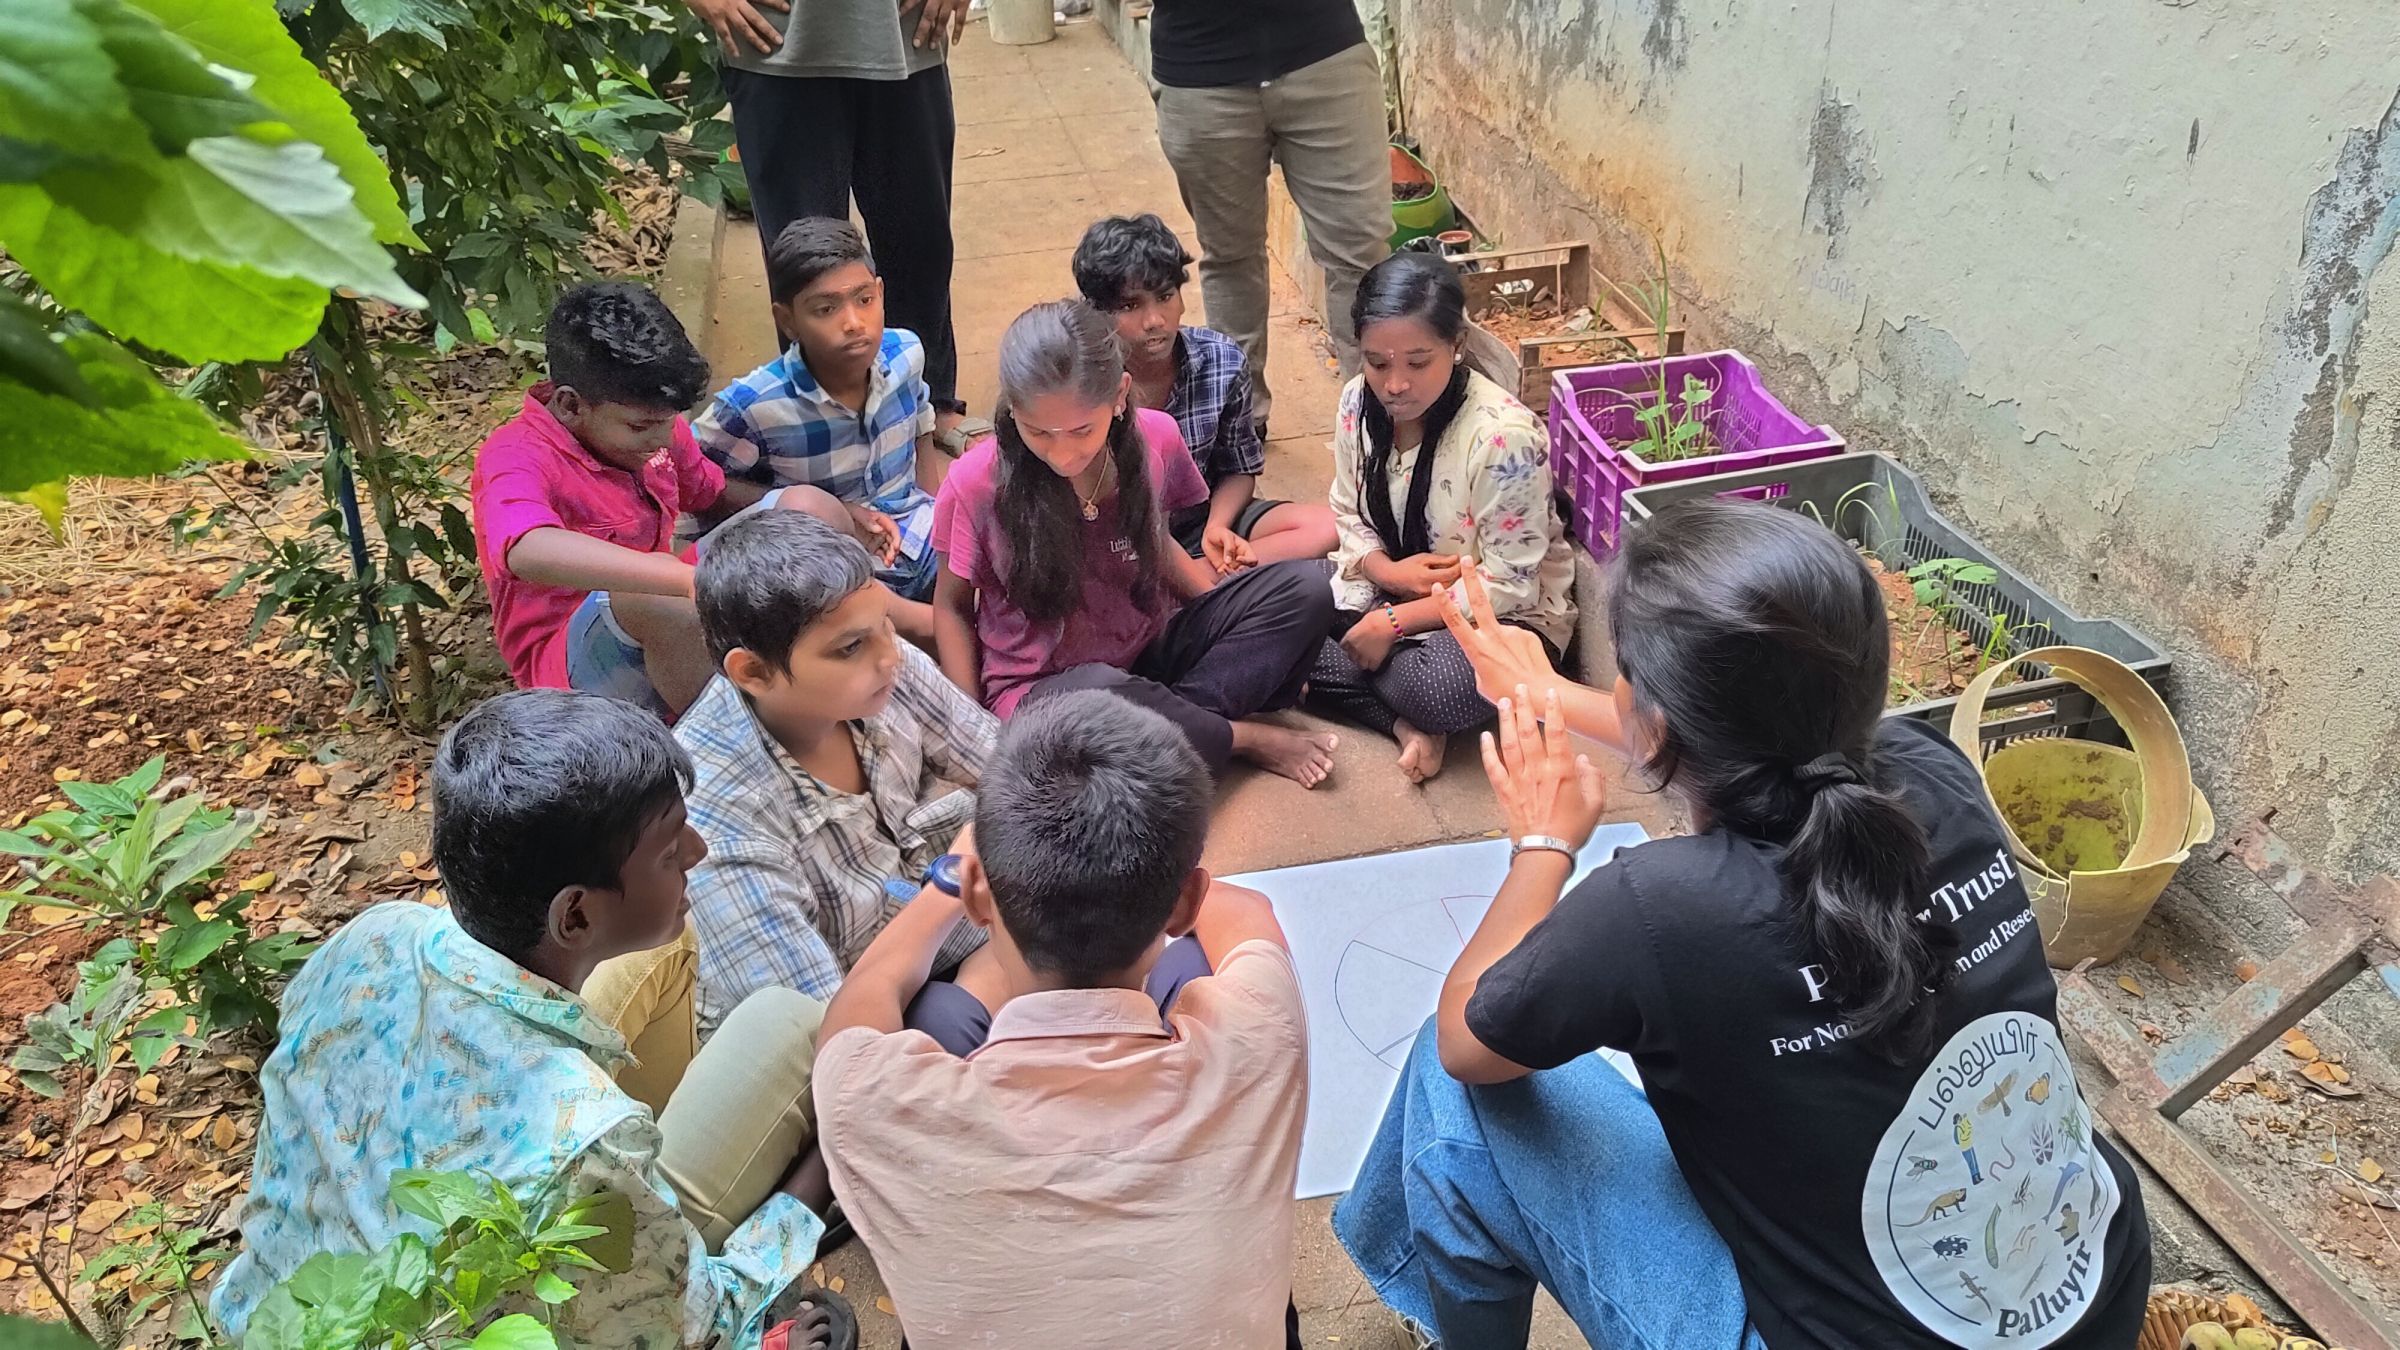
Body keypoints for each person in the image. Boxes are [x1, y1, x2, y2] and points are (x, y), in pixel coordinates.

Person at [1331, 504, 2155, 1349]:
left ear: (1648, 711)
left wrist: (1542, 845)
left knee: (1450, 1076)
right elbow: (1773, 742)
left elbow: (1471, 1042)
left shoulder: (1658, 908)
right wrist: (1546, 695)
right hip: (2093, 1293)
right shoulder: (1931, 769)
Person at [210, 690, 857, 1350]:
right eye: (669, 852)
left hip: (298, 1310)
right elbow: (689, 1328)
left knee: (670, 943)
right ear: (574, 915)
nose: (698, 850)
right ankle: (690, 1204)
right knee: (791, 1022)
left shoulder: (369, 938)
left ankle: (655, 1194)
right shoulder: (583, 1144)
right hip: (493, 1293)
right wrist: (817, 1171)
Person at [812, 691, 1308, 1350]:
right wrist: (1160, 883)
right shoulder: (1262, 1034)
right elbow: (1248, 913)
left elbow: (867, 992)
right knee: (1192, 967)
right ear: (1184, 900)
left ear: (978, 896)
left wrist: (950, 885)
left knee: (942, 1010)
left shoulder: (871, 1101)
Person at [929, 299, 1340, 788]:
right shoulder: (975, 483)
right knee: (1097, 692)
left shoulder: (1155, 439)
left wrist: (1233, 623)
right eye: (1038, 431)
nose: (1063, 452)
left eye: (1083, 429)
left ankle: (1156, 746)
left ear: (1120, 395)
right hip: (1043, 691)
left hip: (1148, 654)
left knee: (1304, 590)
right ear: (1013, 408)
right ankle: (1235, 738)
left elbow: (1156, 542)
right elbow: (952, 607)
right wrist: (973, 733)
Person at [671, 509, 994, 1038]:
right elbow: (824, 1038)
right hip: (851, 1034)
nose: (892, 656)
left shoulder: (881, 670)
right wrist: (956, 881)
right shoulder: (719, 814)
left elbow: (1005, 768)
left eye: (885, 623)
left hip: (950, 946)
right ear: (753, 672)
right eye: (850, 647)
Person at [1304, 252, 1574, 785]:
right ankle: (1403, 725)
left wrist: (1395, 621)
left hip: (1498, 618)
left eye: (1418, 361)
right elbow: (1346, 508)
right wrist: (1388, 574)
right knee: (1277, 614)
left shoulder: (1503, 438)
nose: (1395, 384)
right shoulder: (1356, 403)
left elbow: (1511, 584)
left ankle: (1396, 693)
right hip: (1391, 584)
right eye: (1377, 363)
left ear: (1456, 347)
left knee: (1439, 691)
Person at [678, 0, 978, 450]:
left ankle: (931, 403)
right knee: (806, 264)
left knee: (922, 248)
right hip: (777, 48)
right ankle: (822, 418)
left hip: (906, 40)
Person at [470, 281, 740, 717]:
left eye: (669, 423)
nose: (661, 440)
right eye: (640, 427)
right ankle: (725, 754)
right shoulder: (515, 455)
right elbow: (527, 547)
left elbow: (712, 493)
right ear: (570, 406)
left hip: (669, 603)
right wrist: (673, 576)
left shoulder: (658, 429)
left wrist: (824, 510)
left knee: (802, 511)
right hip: (565, 672)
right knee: (657, 599)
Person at [692, 218, 948, 639]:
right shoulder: (753, 406)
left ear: (880, 293)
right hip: (832, 577)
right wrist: (830, 514)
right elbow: (700, 485)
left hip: (917, 534)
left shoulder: (907, 353)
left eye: (865, 299)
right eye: (825, 309)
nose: (853, 322)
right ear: (787, 321)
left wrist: (938, 508)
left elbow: (921, 422)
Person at [1148, 0, 1391, 430]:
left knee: (1360, 258)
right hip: (1200, 70)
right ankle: (1240, 422)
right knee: (1230, 256)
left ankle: (1378, 421)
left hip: (1325, 56)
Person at [1071, 213, 1339, 575]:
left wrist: (1218, 526)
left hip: (1198, 526)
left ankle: (1189, 582)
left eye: (1165, 296)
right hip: (1115, 540)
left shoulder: (1222, 361)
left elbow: (1239, 468)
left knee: (1325, 527)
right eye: (1130, 306)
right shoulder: (1078, 380)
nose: (1154, 320)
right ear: (1097, 312)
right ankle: (1197, 586)